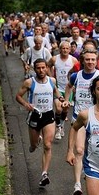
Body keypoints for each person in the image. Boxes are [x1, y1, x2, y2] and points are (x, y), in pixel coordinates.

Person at [15, 58, 63, 187]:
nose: (41, 70)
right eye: (38, 68)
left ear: (47, 68)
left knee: (48, 145)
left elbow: (56, 92)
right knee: (34, 145)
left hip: (48, 115)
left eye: (43, 67)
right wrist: (26, 104)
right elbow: (18, 96)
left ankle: (44, 174)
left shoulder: (52, 81)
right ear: (34, 69)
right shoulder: (29, 82)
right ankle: (35, 142)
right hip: (35, 115)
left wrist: (61, 99)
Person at [64, 48, 99, 195]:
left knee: (94, 150)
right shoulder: (76, 76)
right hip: (79, 119)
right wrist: (67, 100)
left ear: (97, 61)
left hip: (96, 120)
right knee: (79, 150)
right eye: (87, 59)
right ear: (82, 61)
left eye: (93, 59)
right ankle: (78, 184)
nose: (90, 62)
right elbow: (68, 86)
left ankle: (91, 173)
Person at [47, 41, 78, 140]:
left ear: (69, 50)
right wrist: (51, 78)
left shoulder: (73, 60)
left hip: (68, 89)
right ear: (60, 49)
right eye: (63, 48)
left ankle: (62, 125)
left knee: (65, 109)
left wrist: (75, 85)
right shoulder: (54, 59)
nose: (65, 50)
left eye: (66, 48)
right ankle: (58, 127)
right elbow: (48, 67)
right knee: (59, 109)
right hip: (58, 88)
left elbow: (78, 73)